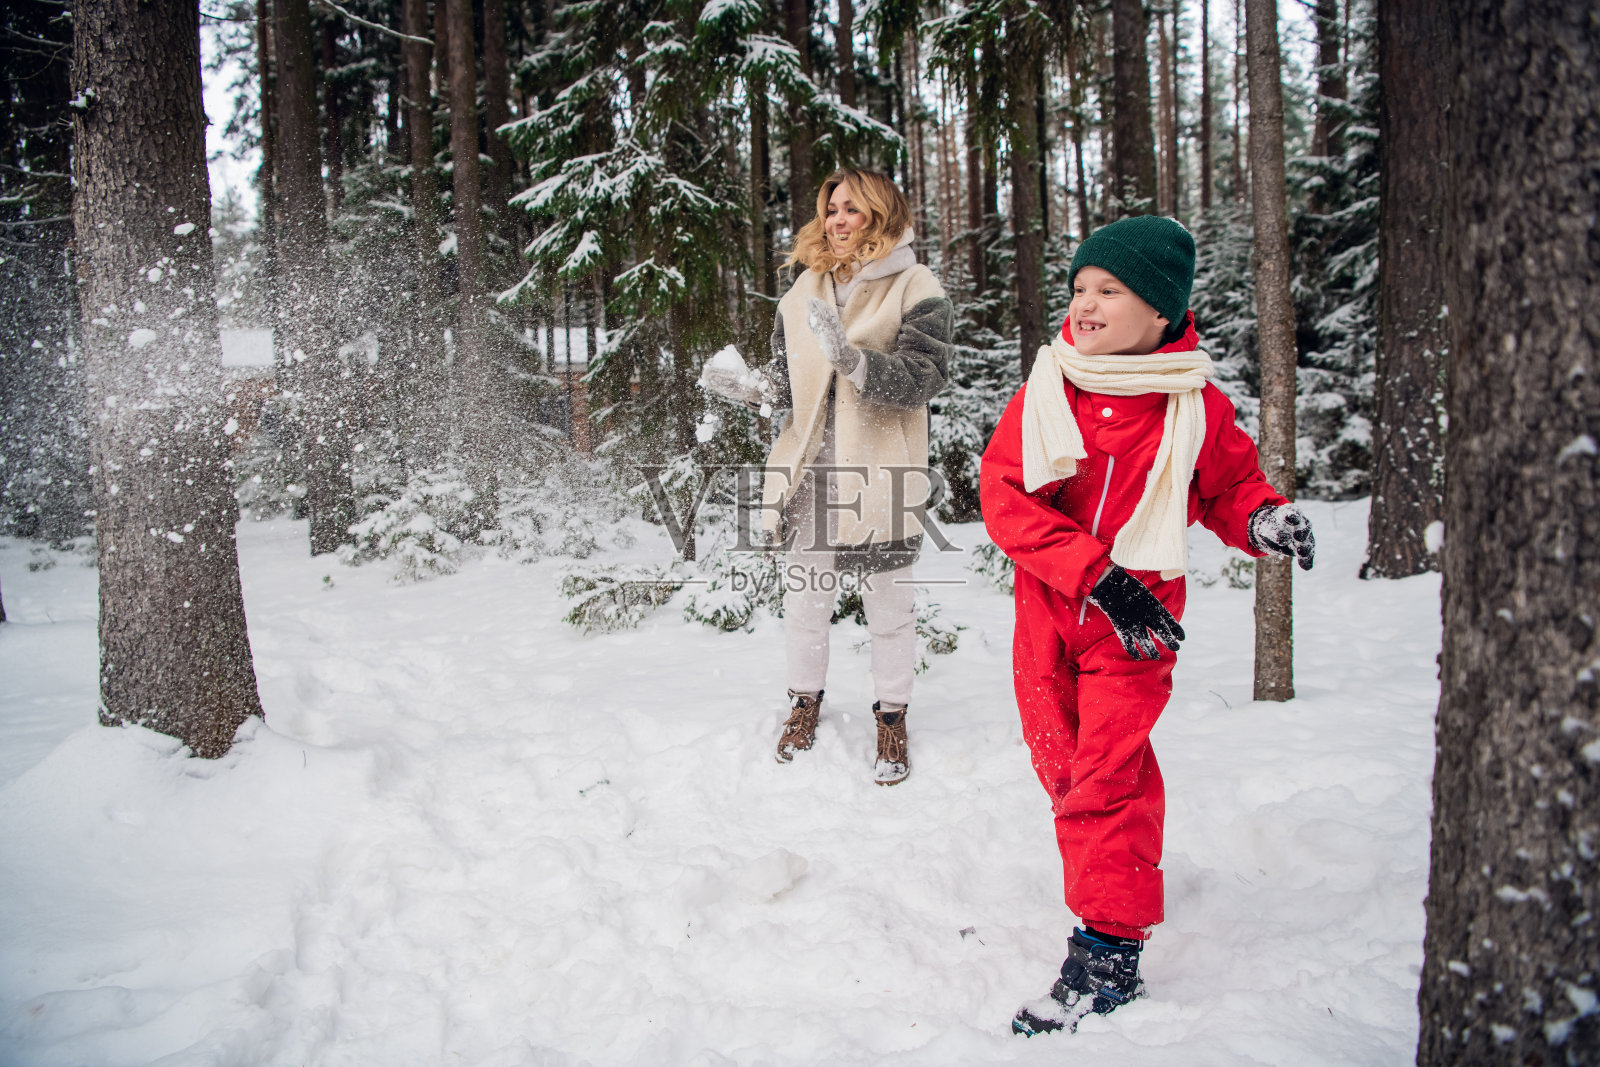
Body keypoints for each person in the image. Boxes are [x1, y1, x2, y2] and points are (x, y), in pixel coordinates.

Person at [978, 214, 1316, 1035]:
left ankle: (1107, 951)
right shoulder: (1049, 387)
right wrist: (1094, 574)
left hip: (1136, 626)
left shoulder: (1191, 402)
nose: (1085, 302)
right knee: (1063, 765)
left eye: (1110, 290)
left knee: (1108, 773)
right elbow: (1004, 499)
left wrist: (1263, 519)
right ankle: (1109, 875)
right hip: (1052, 611)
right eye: (1080, 287)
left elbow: (1228, 486)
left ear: (1161, 313)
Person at [748, 167, 951, 785]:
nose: (837, 220)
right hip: (807, 470)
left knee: (889, 606)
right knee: (805, 599)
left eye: (852, 209)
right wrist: (751, 387)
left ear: (881, 214)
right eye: (831, 208)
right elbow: (788, 384)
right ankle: (804, 703)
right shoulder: (802, 290)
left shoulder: (916, 285)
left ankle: (892, 715)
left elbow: (928, 375)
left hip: (882, 473)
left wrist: (856, 361)